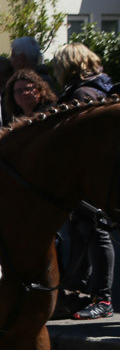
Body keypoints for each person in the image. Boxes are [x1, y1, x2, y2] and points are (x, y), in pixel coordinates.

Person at [52, 42, 114, 320]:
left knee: (96, 230)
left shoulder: (81, 93)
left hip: (90, 174)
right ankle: (85, 293)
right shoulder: (93, 88)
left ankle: (103, 298)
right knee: (86, 230)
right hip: (95, 173)